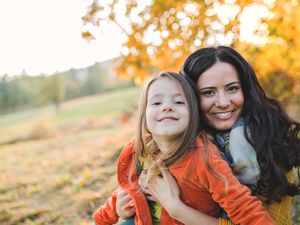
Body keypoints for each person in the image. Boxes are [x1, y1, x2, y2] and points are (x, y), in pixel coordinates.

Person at [115, 46, 300, 225]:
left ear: (245, 89)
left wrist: (176, 209)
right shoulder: (182, 141)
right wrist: (126, 206)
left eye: (232, 88)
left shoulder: (267, 143)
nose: (223, 102)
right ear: (190, 98)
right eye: (208, 92)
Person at [93, 71, 275, 225]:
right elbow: (130, 188)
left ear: (193, 114)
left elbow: (242, 206)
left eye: (179, 102)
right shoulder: (141, 150)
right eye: (157, 103)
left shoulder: (204, 158)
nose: (167, 107)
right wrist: (106, 215)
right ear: (144, 116)